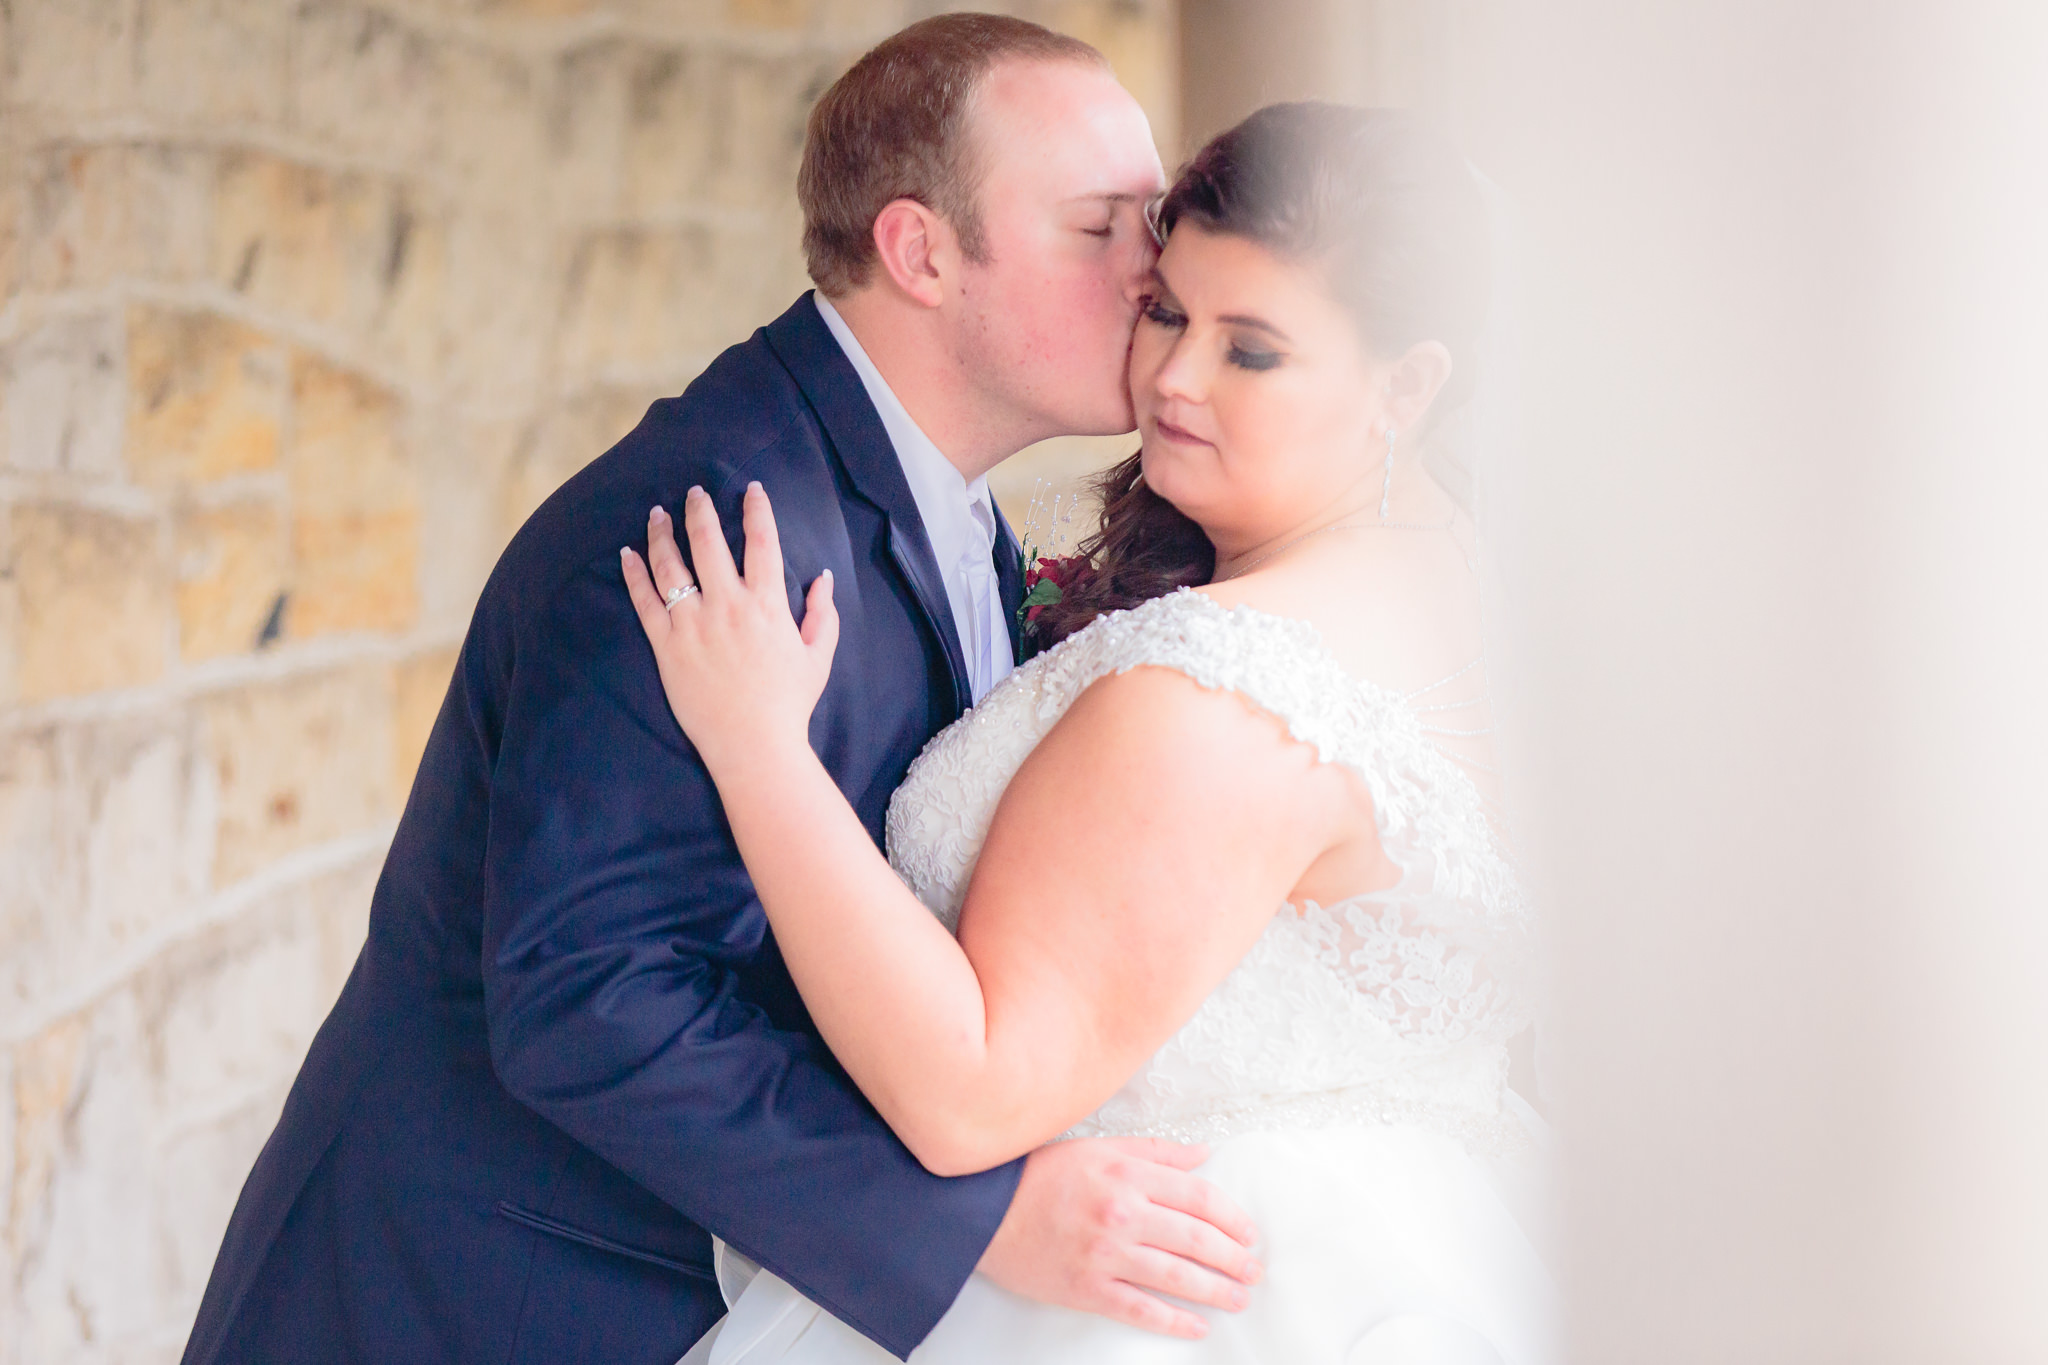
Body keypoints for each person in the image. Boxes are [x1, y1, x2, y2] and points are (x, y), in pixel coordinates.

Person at [179, 17, 1263, 1365]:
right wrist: (979, 1218)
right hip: (478, 1303)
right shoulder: (712, 526)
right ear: (922, 252)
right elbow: (594, 998)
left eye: (1149, 218)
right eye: (1100, 227)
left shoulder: (952, 511)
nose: (1150, 270)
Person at [623, 103, 1556, 1362]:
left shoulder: (1222, 693)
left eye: (1255, 351)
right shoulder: (1479, 594)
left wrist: (758, 754)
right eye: (1168, 310)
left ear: (1405, 385)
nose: (1174, 377)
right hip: (1421, 1255)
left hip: (1148, 1299)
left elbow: (970, 1096)